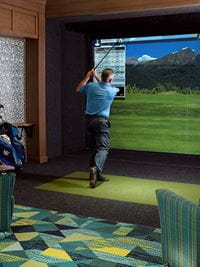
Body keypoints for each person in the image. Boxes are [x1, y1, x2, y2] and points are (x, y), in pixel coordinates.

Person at [76, 68, 119, 188]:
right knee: (103, 149)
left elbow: (78, 88)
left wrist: (88, 76)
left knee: (95, 149)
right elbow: (106, 84)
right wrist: (97, 77)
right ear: (110, 79)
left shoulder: (90, 86)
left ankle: (95, 174)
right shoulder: (113, 90)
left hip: (89, 121)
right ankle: (95, 168)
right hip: (101, 122)